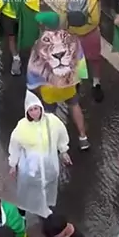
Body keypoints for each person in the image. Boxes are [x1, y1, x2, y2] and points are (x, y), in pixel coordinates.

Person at [42, 0, 107, 102]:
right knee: (73, 59)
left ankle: (96, 83)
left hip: (90, 32)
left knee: (94, 58)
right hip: (70, 33)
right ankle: (77, 81)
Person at [27, 10, 90, 150]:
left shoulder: (40, 42)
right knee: (74, 105)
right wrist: (79, 79)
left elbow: (33, 68)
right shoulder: (71, 38)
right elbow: (80, 59)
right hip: (69, 84)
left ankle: (54, 143)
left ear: (44, 25)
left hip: (49, 87)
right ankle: (83, 137)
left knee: (49, 115)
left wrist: (33, 86)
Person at [8, 91, 71, 219]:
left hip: (49, 165)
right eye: (30, 110)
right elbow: (15, 145)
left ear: (41, 108)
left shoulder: (52, 121)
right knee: (27, 191)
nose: (34, 112)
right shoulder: (22, 126)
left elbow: (62, 135)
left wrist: (64, 151)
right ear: (27, 112)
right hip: (30, 168)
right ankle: (22, 213)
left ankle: (45, 210)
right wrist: (13, 164)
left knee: (47, 188)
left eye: (36, 108)